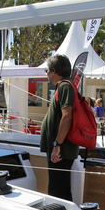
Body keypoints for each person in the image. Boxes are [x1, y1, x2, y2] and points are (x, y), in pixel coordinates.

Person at [40, 54, 77, 201]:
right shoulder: (63, 86)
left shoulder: (65, 86)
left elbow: (67, 116)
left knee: (57, 189)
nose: (47, 73)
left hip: (61, 149)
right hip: (60, 148)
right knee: (59, 187)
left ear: (54, 71)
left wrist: (57, 145)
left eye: (47, 70)